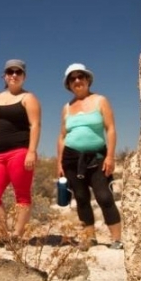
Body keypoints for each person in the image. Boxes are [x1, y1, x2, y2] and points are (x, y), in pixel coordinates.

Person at [56, 63, 123, 250]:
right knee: (81, 197)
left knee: (104, 196)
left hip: (97, 156)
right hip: (71, 159)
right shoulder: (66, 107)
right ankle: (89, 238)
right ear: (68, 84)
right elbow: (62, 136)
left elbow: (110, 129)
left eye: (81, 76)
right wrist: (59, 162)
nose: (77, 80)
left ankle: (117, 239)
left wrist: (110, 156)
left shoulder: (100, 100)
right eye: (72, 78)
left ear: (87, 79)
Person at [0, 59, 41, 240]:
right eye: (10, 72)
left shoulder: (28, 98)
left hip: (20, 152)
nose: (14, 75)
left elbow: (35, 124)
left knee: (22, 195)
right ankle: (3, 233)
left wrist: (31, 151)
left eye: (18, 72)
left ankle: (17, 234)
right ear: (4, 76)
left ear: (24, 76)